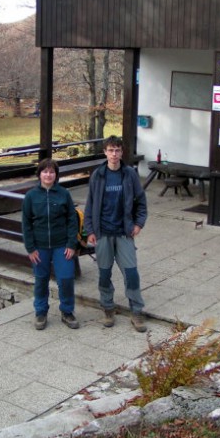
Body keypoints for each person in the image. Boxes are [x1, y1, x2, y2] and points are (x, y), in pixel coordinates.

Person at [84, 135, 148, 332]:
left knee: (132, 273)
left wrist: (138, 223)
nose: (114, 154)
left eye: (117, 150)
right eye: (110, 150)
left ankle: (136, 311)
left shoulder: (129, 174)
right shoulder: (98, 175)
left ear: (122, 152)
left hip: (124, 233)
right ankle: (108, 308)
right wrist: (90, 230)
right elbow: (90, 205)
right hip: (103, 233)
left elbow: (141, 202)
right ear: (105, 152)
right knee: (104, 274)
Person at [22, 158, 79, 330]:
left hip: (62, 245)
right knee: (41, 280)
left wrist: (71, 244)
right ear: (39, 174)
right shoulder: (31, 196)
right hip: (39, 247)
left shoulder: (63, 194)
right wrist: (30, 248)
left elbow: (72, 220)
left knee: (66, 278)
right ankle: (41, 312)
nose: (48, 175)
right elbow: (26, 223)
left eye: (52, 172)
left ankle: (67, 311)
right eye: (45, 171)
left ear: (56, 175)